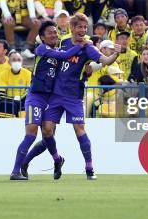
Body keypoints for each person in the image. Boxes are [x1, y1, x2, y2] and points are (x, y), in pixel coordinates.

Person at [40, 13, 121, 180]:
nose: (83, 30)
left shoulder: (88, 48)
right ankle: (57, 159)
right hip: (55, 95)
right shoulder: (63, 41)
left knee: (79, 129)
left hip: (74, 96)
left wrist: (115, 55)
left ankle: (89, 167)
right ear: (72, 28)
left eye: (85, 27)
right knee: (47, 130)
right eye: (79, 27)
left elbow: (104, 60)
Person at [10, 21, 91, 180]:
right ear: (42, 37)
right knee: (31, 133)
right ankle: (15, 171)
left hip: (52, 99)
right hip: (36, 97)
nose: (54, 35)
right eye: (50, 33)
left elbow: (72, 64)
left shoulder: (59, 50)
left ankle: (55, 160)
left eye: (55, 32)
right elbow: (64, 55)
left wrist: (88, 66)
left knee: (48, 134)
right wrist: (81, 46)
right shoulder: (42, 49)